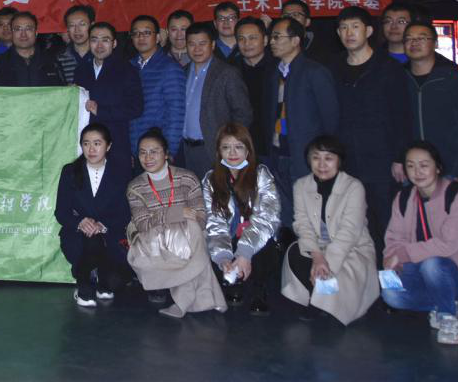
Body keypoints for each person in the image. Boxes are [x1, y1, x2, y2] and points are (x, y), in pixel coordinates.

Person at [383, 141, 458, 344]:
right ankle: (447, 304)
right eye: (410, 166)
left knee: (433, 264)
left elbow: (447, 245)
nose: (417, 172)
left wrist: (402, 254)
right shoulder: (403, 198)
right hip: (423, 269)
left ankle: (448, 317)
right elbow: (394, 238)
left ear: (438, 167)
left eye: (424, 165)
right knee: (391, 295)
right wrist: (392, 259)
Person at [333, 6, 413, 259]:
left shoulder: (388, 68)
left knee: (388, 222)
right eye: (344, 28)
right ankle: (365, 275)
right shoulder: (333, 68)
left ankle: (394, 274)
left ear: (368, 31)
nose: (349, 33)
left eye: (355, 27)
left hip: (383, 159)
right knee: (356, 223)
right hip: (347, 160)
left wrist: (400, 157)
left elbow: (402, 115)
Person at [126, 128, 225, 318]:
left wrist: (166, 221)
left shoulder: (187, 178)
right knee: (180, 231)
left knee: (193, 228)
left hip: (186, 237)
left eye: (154, 151)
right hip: (152, 240)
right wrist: (177, 213)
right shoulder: (135, 186)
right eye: (142, 152)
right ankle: (183, 287)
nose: (147, 157)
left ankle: (177, 286)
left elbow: (200, 218)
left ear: (166, 154)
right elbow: (143, 224)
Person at [280, 135, 378, 325]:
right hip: (319, 247)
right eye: (316, 158)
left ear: (339, 161)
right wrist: (317, 256)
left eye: (329, 158)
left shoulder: (354, 186)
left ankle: (325, 302)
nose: (322, 164)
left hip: (351, 249)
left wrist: (326, 263)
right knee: (295, 252)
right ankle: (317, 296)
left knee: (335, 270)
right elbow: (302, 224)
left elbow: (349, 232)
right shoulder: (301, 185)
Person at [263, 17, 339, 226]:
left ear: (296, 40)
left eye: (277, 37)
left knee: (312, 215)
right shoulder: (275, 73)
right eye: (271, 37)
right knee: (286, 213)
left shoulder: (315, 72)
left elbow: (330, 118)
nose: (272, 42)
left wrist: (324, 155)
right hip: (279, 152)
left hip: (306, 156)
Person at [202, 123, 280, 315]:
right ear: (219, 152)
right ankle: (232, 278)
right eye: (226, 147)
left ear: (248, 150)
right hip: (228, 237)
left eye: (238, 147)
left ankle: (259, 289)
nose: (232, 153)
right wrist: (223, 258)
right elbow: (214, 223)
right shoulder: (211, 180)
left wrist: (244, 253)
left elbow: (267, 218)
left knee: (264, 247)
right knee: (212, 249)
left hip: (257, 237)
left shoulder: (261, 174)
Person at [55, 123, 132, 306]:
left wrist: (102, 225)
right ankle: (84, 285)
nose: (91, 149)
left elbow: (125, 212)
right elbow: (61, 212)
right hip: (77, 235)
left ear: (108, 146)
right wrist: (80, 222)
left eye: (97, 143)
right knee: (91, 241)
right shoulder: (70, 171)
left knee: (115, 282)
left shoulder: (121, 172)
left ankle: (99, 278)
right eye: (86, 143)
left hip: (110, 234)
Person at [177, 23, 253, 175]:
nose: (197, 49)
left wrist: (230, 146)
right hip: (185, 150)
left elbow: (243, 113)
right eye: (192, 44)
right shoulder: (181, 72)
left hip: (214, 149)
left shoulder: (227, 73)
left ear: (212, 45)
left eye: (202, 43)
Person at [403, 21, 458, 179]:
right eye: (409, 39)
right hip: (412, 168)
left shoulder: (452, 79)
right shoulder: (398, 80)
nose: (414, 43)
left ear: (435, 43)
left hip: (451, 167)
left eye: (422, 38)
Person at [74, 22, 143, 157]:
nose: (99, 46)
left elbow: (136, 108)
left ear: (114, 43)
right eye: (94, 40)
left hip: (116, 141)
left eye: (105, 40)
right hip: (86, 142)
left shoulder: (126, 70)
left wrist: (100, 110)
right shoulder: (81, 70)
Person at [128, 15, 186, 166]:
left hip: (160, 151)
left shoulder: (170, 68)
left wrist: (169, 151)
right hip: (137, 151)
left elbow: (176, 113)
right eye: (136, 33)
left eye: (147, 32)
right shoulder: (128, 67)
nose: (141, 37)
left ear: (158, 37)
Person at [0, 12, 63, 87]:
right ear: (12, 33)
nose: (23, 34)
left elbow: (63, 91)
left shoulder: (51, 62)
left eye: (28, 29)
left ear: (36, 33)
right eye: (18, 29)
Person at [234, 17, 273, 149]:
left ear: (265, 40)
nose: (247, 43)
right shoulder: (230, 71)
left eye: (252, 38)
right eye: (241, 39)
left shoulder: (278, 68)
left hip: (273, 141)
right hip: (241, 142)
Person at [56, 5, 95, 85]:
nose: (77, 30)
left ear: (92, 25)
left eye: (82, 24)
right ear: (67, 29)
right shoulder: (59, 59)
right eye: (72, 25)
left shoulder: (102, 55)